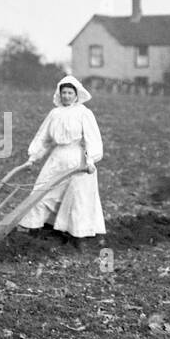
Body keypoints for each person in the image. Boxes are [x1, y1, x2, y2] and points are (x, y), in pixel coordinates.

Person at [18, 74, 106, 244]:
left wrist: (90, 161)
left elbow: (92, 139)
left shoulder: (84, 113)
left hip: (77, 160)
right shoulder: (54, 113)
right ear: (59, 94)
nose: (66, 96)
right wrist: (33, 157)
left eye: (70, 93)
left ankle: (78, 237)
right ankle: (36, 230)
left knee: (77, 198)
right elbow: (43, 137)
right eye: (64, 93)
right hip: (57, 159)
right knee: (41, 192)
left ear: (76, 95)